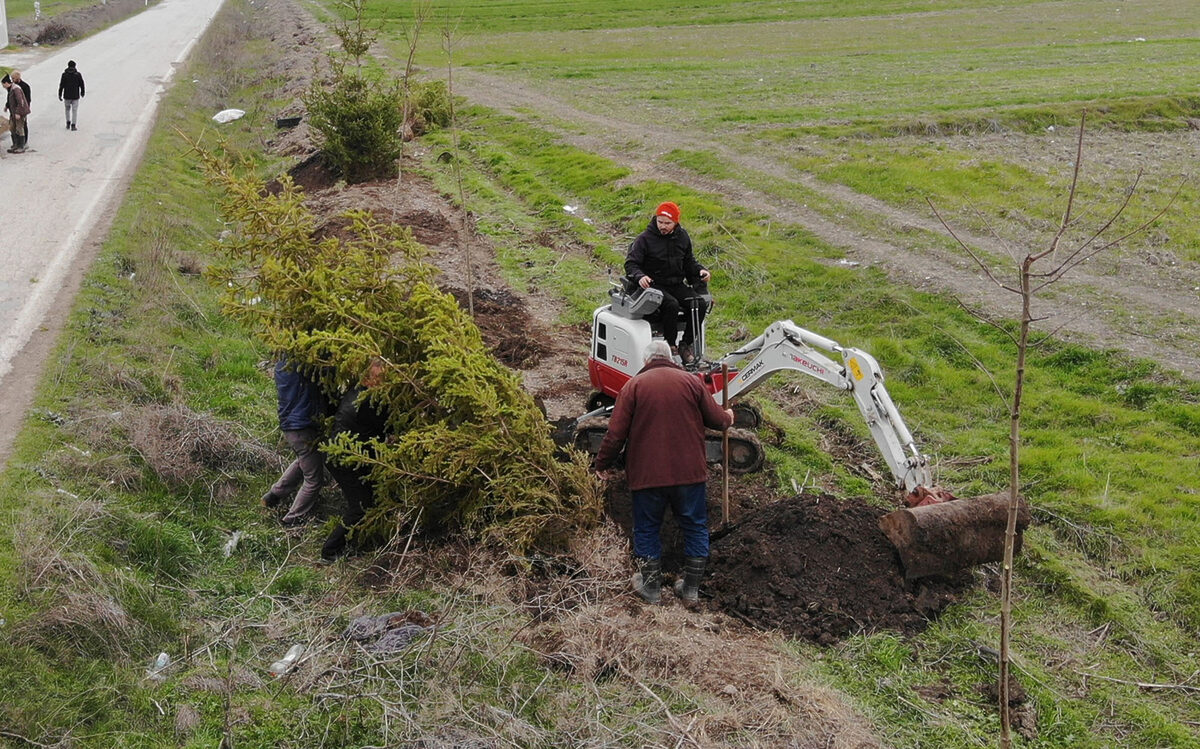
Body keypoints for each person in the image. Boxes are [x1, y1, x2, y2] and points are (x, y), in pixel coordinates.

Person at [593, 340, 734, 605]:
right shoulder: (691, 382)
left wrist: (602, 464)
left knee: (646, 528)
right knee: (694, 526)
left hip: (647, 476)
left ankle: (651, 588)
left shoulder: (633, 386)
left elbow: (615, 435)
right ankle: (690, 589)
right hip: (689, 474)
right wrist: (728, 416)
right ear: (671, 359)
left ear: (646, 362)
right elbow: (717, 420)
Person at [320, 359, 391, 563]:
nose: (385, 383)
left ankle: (363, 539)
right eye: (381, 379)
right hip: (344, 460)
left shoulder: (357, 392)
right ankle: (330, 551)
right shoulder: (367, 402)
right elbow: (389, 425)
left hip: (345, 455)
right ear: (369, 379)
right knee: (361, 506)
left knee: (368, 498)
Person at [624, 201, 712, 364]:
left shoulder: (683, 237)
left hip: (676, 284)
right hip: (653, 285)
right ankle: (670, 344)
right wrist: (640, 276)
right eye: (660, 222)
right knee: (670, 304)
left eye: (667, 223)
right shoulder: (644, 239)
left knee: (698, 304)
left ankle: (686, 344)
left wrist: (700, 271)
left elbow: (688, 262)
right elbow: (631, 264)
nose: (663, 226)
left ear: (676, 223)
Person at [262, 356, 328, 526]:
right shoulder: (302, 365)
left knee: (306, 460)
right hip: (302, 425)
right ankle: (292, 520)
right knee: (313, 479)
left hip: (291, 424)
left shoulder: (282, 364)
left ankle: (274, 495)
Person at [2, 75, 30, 154]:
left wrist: (18, 113)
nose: (3, 86)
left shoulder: (16, 89)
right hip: (13, 113)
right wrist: (7, 106)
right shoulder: (10, 89)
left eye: (3, 84)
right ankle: (15, 145)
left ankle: (21, 146)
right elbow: (10, 100)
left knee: (19, 128)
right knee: (12, 128)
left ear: (7, 83)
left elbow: (20, 102)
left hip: (20, 113)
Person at [58, 61, 85, 131]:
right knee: (74, 111)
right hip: (75, 95)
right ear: (75, 66)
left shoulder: (64, 75)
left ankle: (68, 122)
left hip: (66, 95)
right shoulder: (78, 75)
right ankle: (73, 125)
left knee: (67, 109)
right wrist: (82, 92)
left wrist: (60, 94)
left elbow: (61, 85)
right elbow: (82, 84)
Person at [11, 71, 31, 145]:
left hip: (23, 108)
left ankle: (25, 141)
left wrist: (26, 108)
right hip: (16, 108)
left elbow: (28, 99)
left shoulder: (25, 86)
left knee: (23, 124)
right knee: (16, 125)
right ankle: (17, 141)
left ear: (18, 78)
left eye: (13, 78)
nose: (12, 80)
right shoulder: (13, 86)